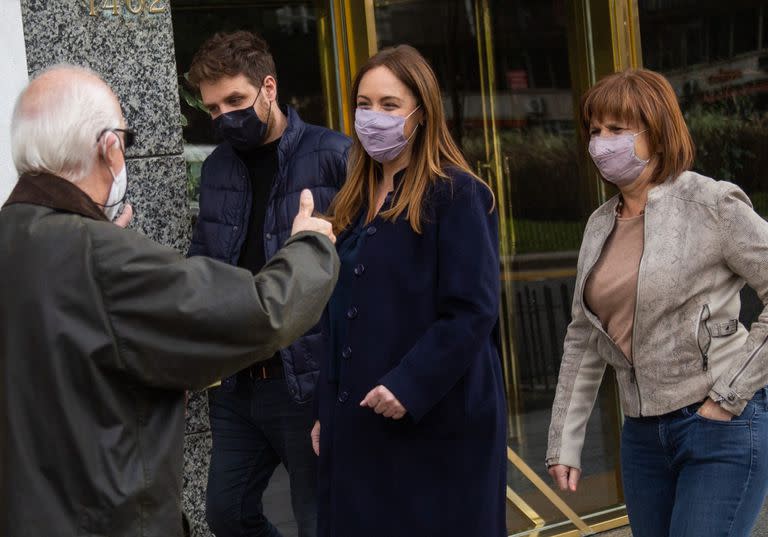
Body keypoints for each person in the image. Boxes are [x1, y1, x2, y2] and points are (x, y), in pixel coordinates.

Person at [0, 65, 339, 537]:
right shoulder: (102, 257)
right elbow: (262, 312)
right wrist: (310, 245)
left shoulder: (26, 242)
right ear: (108, 147)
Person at [546, 68, 768, 537]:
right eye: (596, 131)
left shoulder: (713, 205)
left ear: (659, 135)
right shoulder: (599, 225)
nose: (602, 143)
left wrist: (729, 397)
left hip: (718, 426)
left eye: (617, 130)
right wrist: (564, 441)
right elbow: (584, 337)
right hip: (643, 438)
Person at [313, 45, 507, 537]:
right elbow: (338, 316)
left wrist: (409, 383)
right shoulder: (351, 201)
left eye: (389, 105)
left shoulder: (458, 194)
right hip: (359, 426)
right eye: (363, 103)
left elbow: (473, 311)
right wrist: (326, 412)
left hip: (435, 426)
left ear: (421, 114)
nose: (372, 117)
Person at [185, 30, 350, 537]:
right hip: (238, 383)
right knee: (227, 514)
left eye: (235, 100)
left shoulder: (333, 155)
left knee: (319, 519)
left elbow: (364, 268)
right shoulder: (215, 168)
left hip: (307, 380)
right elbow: (204, 259)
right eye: (212, 109)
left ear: (269, 88)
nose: (224, 117)